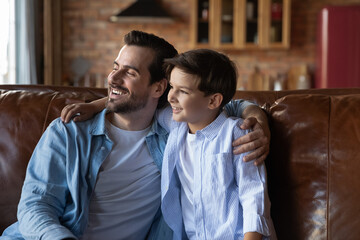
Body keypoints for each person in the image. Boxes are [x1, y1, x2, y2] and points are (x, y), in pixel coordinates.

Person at [0, 31, 269, 240]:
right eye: (115, 66)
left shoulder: (173, 131)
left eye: (129, 72)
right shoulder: (69, 129)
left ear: (158, 88)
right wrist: (96, 104)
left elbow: (224, 108)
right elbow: (35, 207)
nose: (113, 78)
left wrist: (256, 115)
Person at [159, 49, 276, 239]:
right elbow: (137, 105)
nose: (171, 97)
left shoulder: (236, 132)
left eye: (183, 91)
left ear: (213, 100)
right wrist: (95, 105)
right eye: (172, 87)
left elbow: (253, 197)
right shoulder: (175, 124)